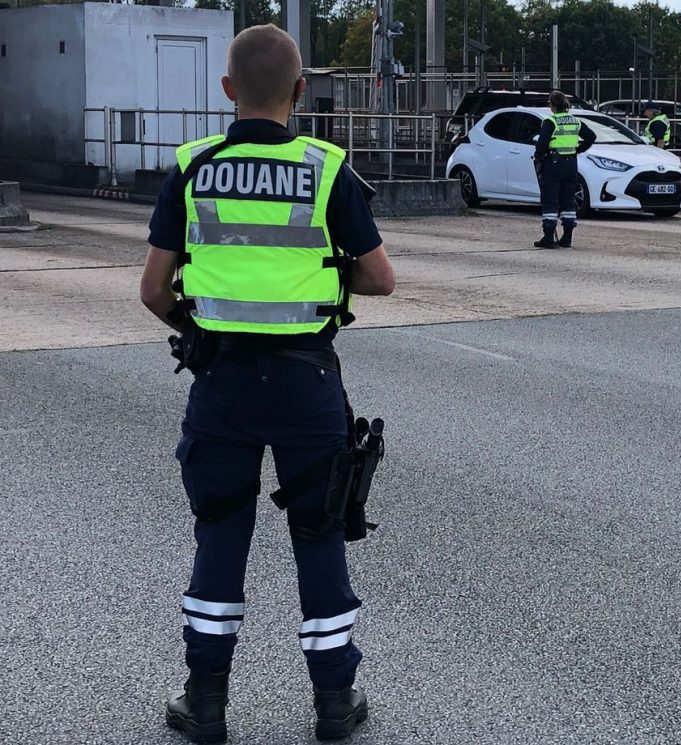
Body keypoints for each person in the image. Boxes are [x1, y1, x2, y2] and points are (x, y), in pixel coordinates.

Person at [139, 24, 396, 743]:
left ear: (228, 90)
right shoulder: (326, 169)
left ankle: (207, 701)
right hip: (306, 381)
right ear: (300, 91)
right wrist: (322, 278)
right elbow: (381, 277)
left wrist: (198, 325)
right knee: (318, 532)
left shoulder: (193, 167)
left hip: (220, 379)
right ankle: (335, 703)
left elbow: (154, 288)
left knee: (221, 529)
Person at [532, 90, 596, 249]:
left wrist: (539, 156)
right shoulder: (575, 121)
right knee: (568, 199)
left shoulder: (551, 121)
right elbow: (591, 137)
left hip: (554, 163)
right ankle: (567, 237)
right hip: (571, 164)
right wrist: (578, 150)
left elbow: (541, 145)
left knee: (550, 199)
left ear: (552, 105)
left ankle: (548, 236)